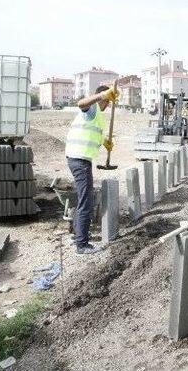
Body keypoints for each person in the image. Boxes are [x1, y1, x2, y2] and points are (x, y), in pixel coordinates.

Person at [65, 85, 119, 254]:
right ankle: (82, 245)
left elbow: (91, 131)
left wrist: (104, 141)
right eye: (108, 101)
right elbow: (81, 103)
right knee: (85, 201)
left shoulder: (98, 115)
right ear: (103, 97)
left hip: (81, 159)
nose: (108, 105)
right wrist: (101, 95)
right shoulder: (92, 107)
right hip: (79, 159)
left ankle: (78, 234)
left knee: (84, 198)